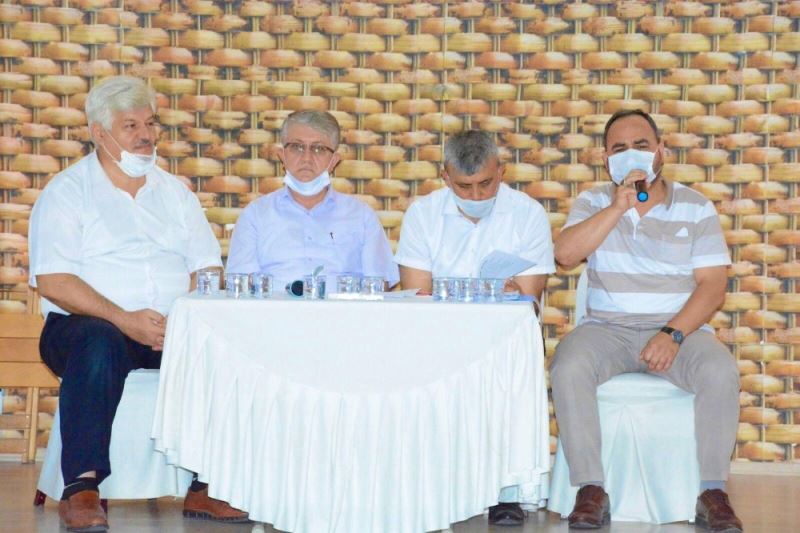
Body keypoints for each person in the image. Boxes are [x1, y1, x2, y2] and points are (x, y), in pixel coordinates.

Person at [28, 76, 248, 532]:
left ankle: (207, 484)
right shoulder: (67, 192)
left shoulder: (175, 193)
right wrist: (124, 319)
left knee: (227, 343)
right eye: (131, 126)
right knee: (99, 341)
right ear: (98, 132)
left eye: (150, 124)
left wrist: (184, 318)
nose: (146, 135)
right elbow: (54, 280)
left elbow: (207, 268)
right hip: (84, 327)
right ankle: (82, 488)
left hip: (169, 328)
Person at [551, 109, 742, 532]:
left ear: (661, 151)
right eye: (619, 148)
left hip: (678, 331)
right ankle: (590, 488)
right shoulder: (593, 202)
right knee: (568, 365)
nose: (632, 154)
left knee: (719, 370)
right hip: (607, 330)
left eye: (641, 145)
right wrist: (618, 206)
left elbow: (713, 286)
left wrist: (672, 333)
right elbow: (564, 255)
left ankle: (712, 492)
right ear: (606, 160)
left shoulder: (695, 206)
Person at [395, 130, 555, 526]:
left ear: (501, 172)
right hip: (438, 333)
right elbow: (417, 294)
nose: (477, 195)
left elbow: (528, 299)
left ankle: (505, 490)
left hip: (504, 337)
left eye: (486, 184)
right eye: (464, 187)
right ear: (445, 176)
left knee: (513, 355)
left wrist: (509, 293)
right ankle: (432, 483)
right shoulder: (422, 214)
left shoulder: (528, 214)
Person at [226, 110, 398, 290]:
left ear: (334, 161)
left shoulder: (361, 216)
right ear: (282, 156)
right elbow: (240, 286)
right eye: (297, 147)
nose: (306, 158)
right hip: (273, 307)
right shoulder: (255, 215)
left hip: (342, 308)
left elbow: (380, 285)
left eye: (318, 149)